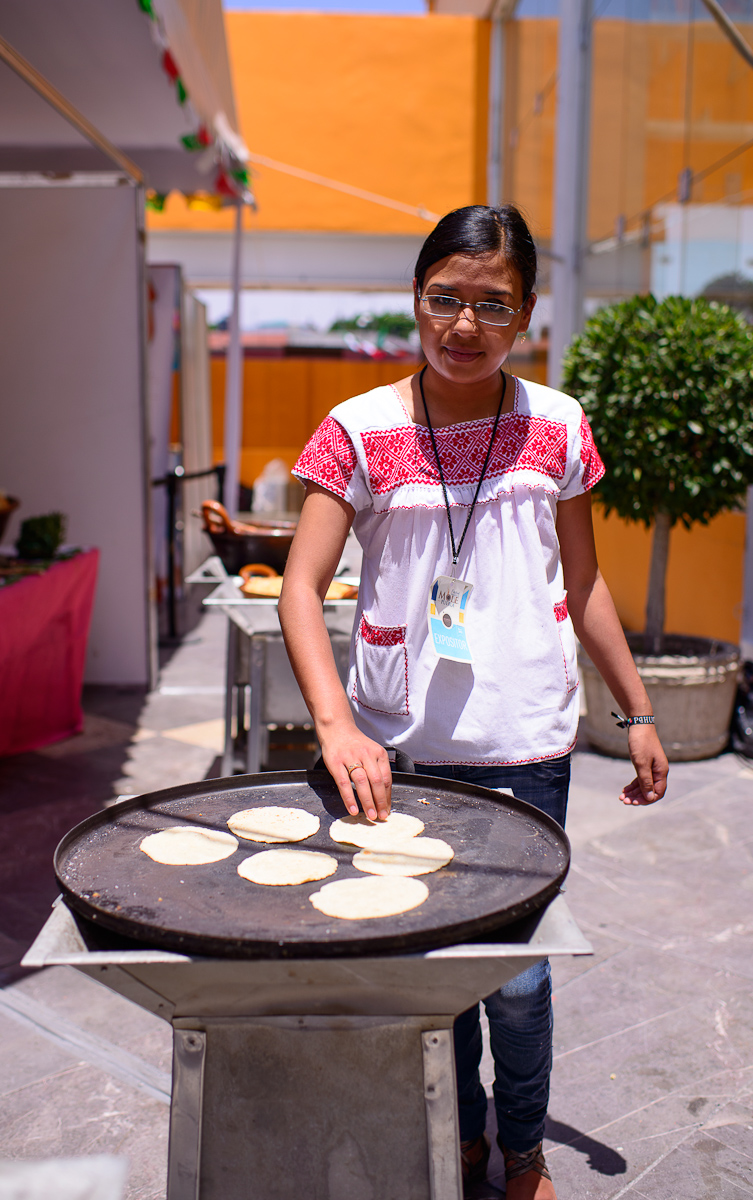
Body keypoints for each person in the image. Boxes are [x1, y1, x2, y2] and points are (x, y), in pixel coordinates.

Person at [278, 204, 669, 1199]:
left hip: (527, 744)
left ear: (526, 313)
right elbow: (297, 584)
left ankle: (525, 1150)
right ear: (416, 299)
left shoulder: (558, 425)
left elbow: (583, 582)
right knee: (431, 968)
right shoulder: (357, 430)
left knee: (521, 975)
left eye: (491, 304)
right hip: (397, 750)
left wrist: (636, 709)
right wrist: (337, 731)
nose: (464, 325)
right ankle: (455, 1136)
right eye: (444, 298)